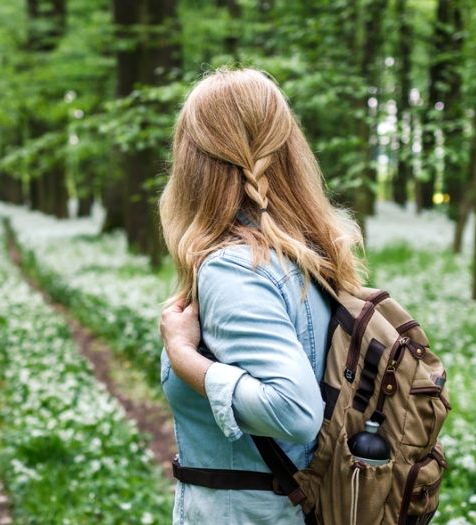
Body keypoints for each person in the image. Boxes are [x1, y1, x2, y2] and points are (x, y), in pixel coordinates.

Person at [156, 68, 365, 524]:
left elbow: (294, 411)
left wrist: (182, 352)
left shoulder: (235, 268)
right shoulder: (308, 256)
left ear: (194, 161)